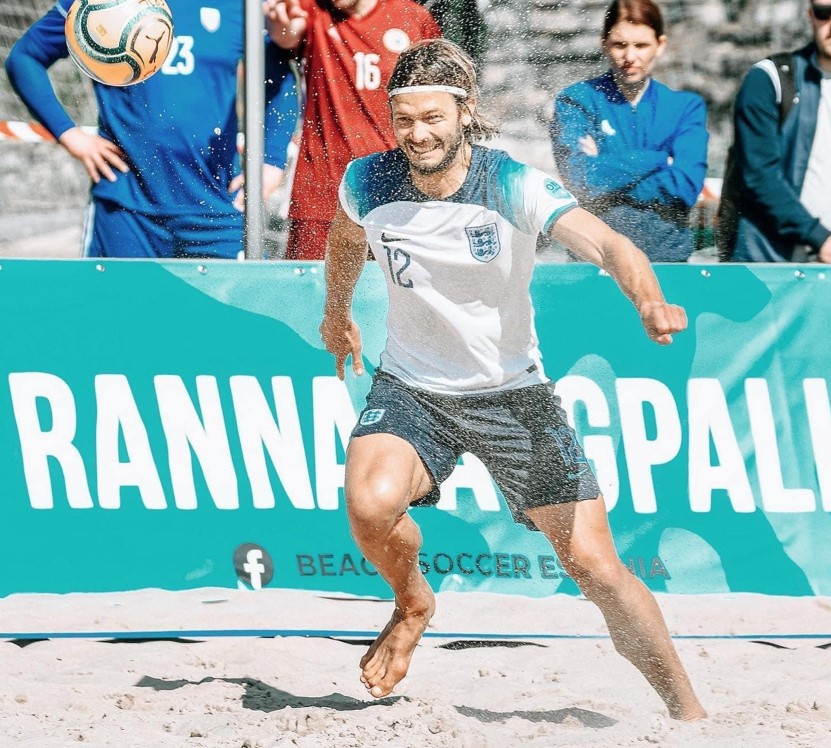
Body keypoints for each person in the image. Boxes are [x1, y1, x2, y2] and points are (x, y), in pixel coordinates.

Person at [320, 38, 706, 720]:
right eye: (404, 119)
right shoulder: (367, 182)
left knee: (595, 569)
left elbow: (608, 244)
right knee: (369, 505)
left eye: (433, 117)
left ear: (463, 113)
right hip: (413, 390)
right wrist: (336, 314)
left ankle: (687, 712)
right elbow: (345, 239)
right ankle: (413, 603)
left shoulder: (509, 184)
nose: (417, 133)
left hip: (513, 397)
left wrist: (645, 298)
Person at [5, 0, 298, 259]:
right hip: (126, 208)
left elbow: (279, 75)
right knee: (117, 320)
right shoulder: (100, 4)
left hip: (217, 208)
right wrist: (69, 134)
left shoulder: (239, 6)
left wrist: (271, 160)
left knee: (223, 322)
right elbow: (25, 58)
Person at [263, 0, 440, 260]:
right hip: (321, 199)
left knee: (397, 298)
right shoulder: (313, 11)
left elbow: (440, 104)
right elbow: (285, 33)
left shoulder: (413, 18)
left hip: (401, 199)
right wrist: (281, 27)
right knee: (314, 298)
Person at [550, 0, 708, 262]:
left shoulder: (686, 107)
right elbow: (579, 180)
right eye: (619, 45)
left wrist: (606, 173)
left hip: (667, 258)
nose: (630, 57)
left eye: (641, 45)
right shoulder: (576, 100)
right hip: (594, 259)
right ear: (604, 43)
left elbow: (687, 186)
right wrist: (657, 160)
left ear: (661, 44)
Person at [727, 1, 831, 263]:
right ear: (810, 15)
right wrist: (819, 237)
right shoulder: (769, 79)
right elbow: (760, 175)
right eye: (824, 13)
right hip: (773, 270)